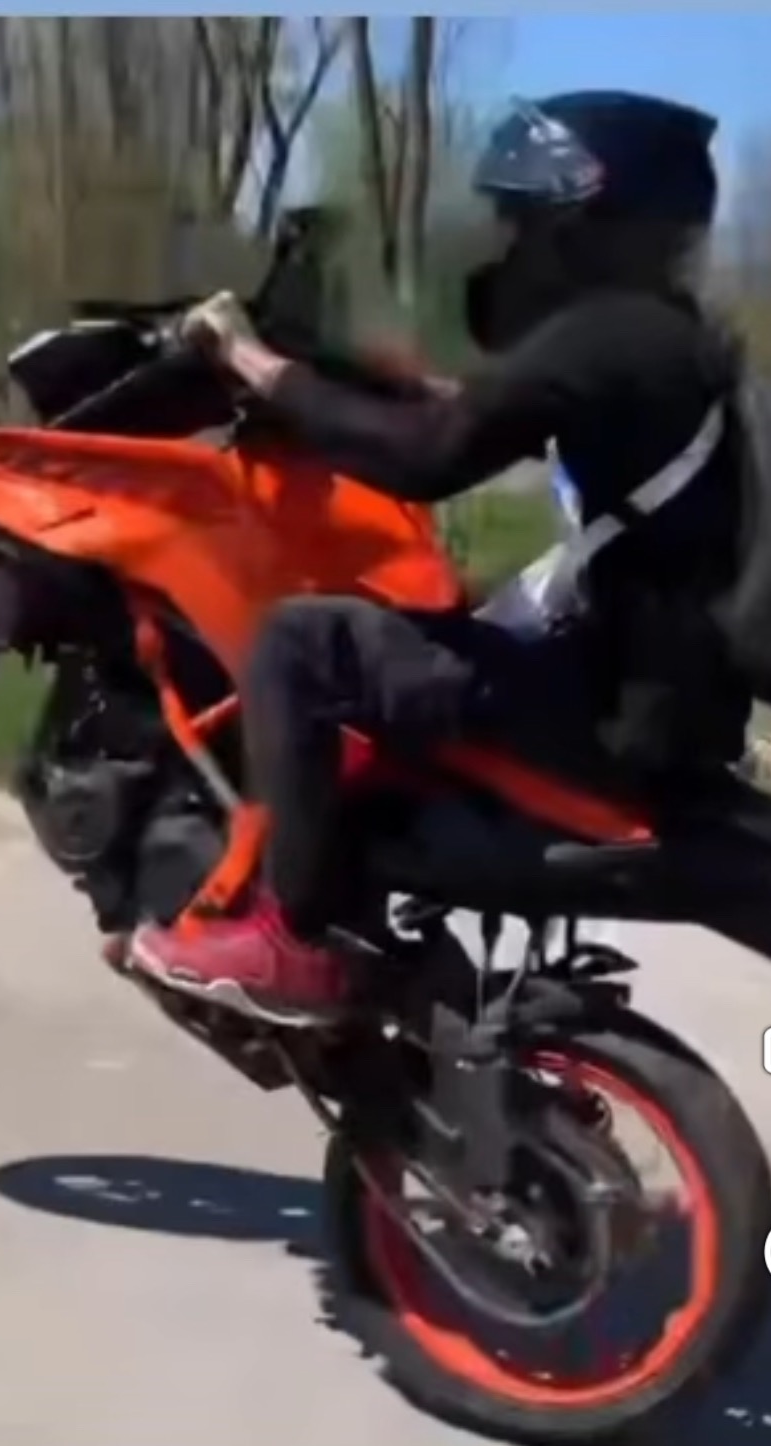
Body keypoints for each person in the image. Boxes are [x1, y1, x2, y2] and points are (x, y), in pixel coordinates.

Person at [128, 90, 751, 1025]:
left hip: (609, 716)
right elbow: (496, 412)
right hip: (665, 699)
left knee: (303, 644)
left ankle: (292, 938)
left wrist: (256, 364)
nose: (509, 246)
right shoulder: (664, 337)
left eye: (522, 222)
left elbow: (423, 461)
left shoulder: (601, 335)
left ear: (581, 224)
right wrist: (387, 380)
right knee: (441, 618)